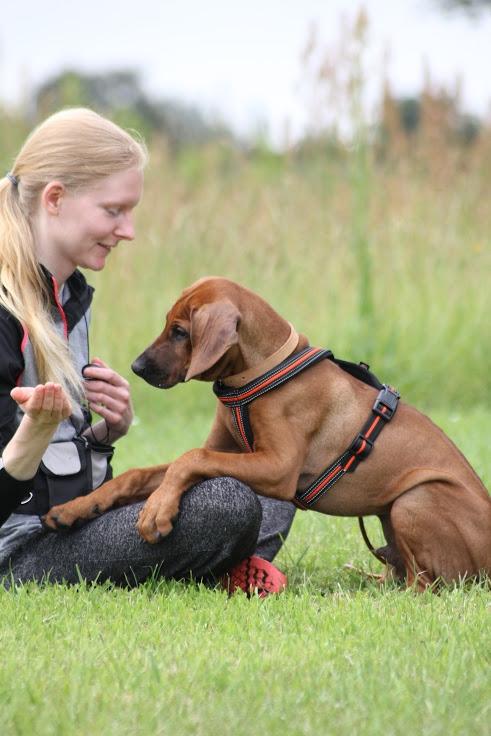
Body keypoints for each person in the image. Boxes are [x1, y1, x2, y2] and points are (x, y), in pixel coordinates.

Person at [0, 108, 295, 592]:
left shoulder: (70, 295)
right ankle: (227, 561)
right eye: (113, 211)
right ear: (55, 198)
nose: (129, 230)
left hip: (63, 529)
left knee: (274, 465)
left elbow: (72, 488)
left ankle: (224, 558)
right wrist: (35, 432)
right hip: (17, 555)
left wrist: (102, 435)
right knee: (228, 505)